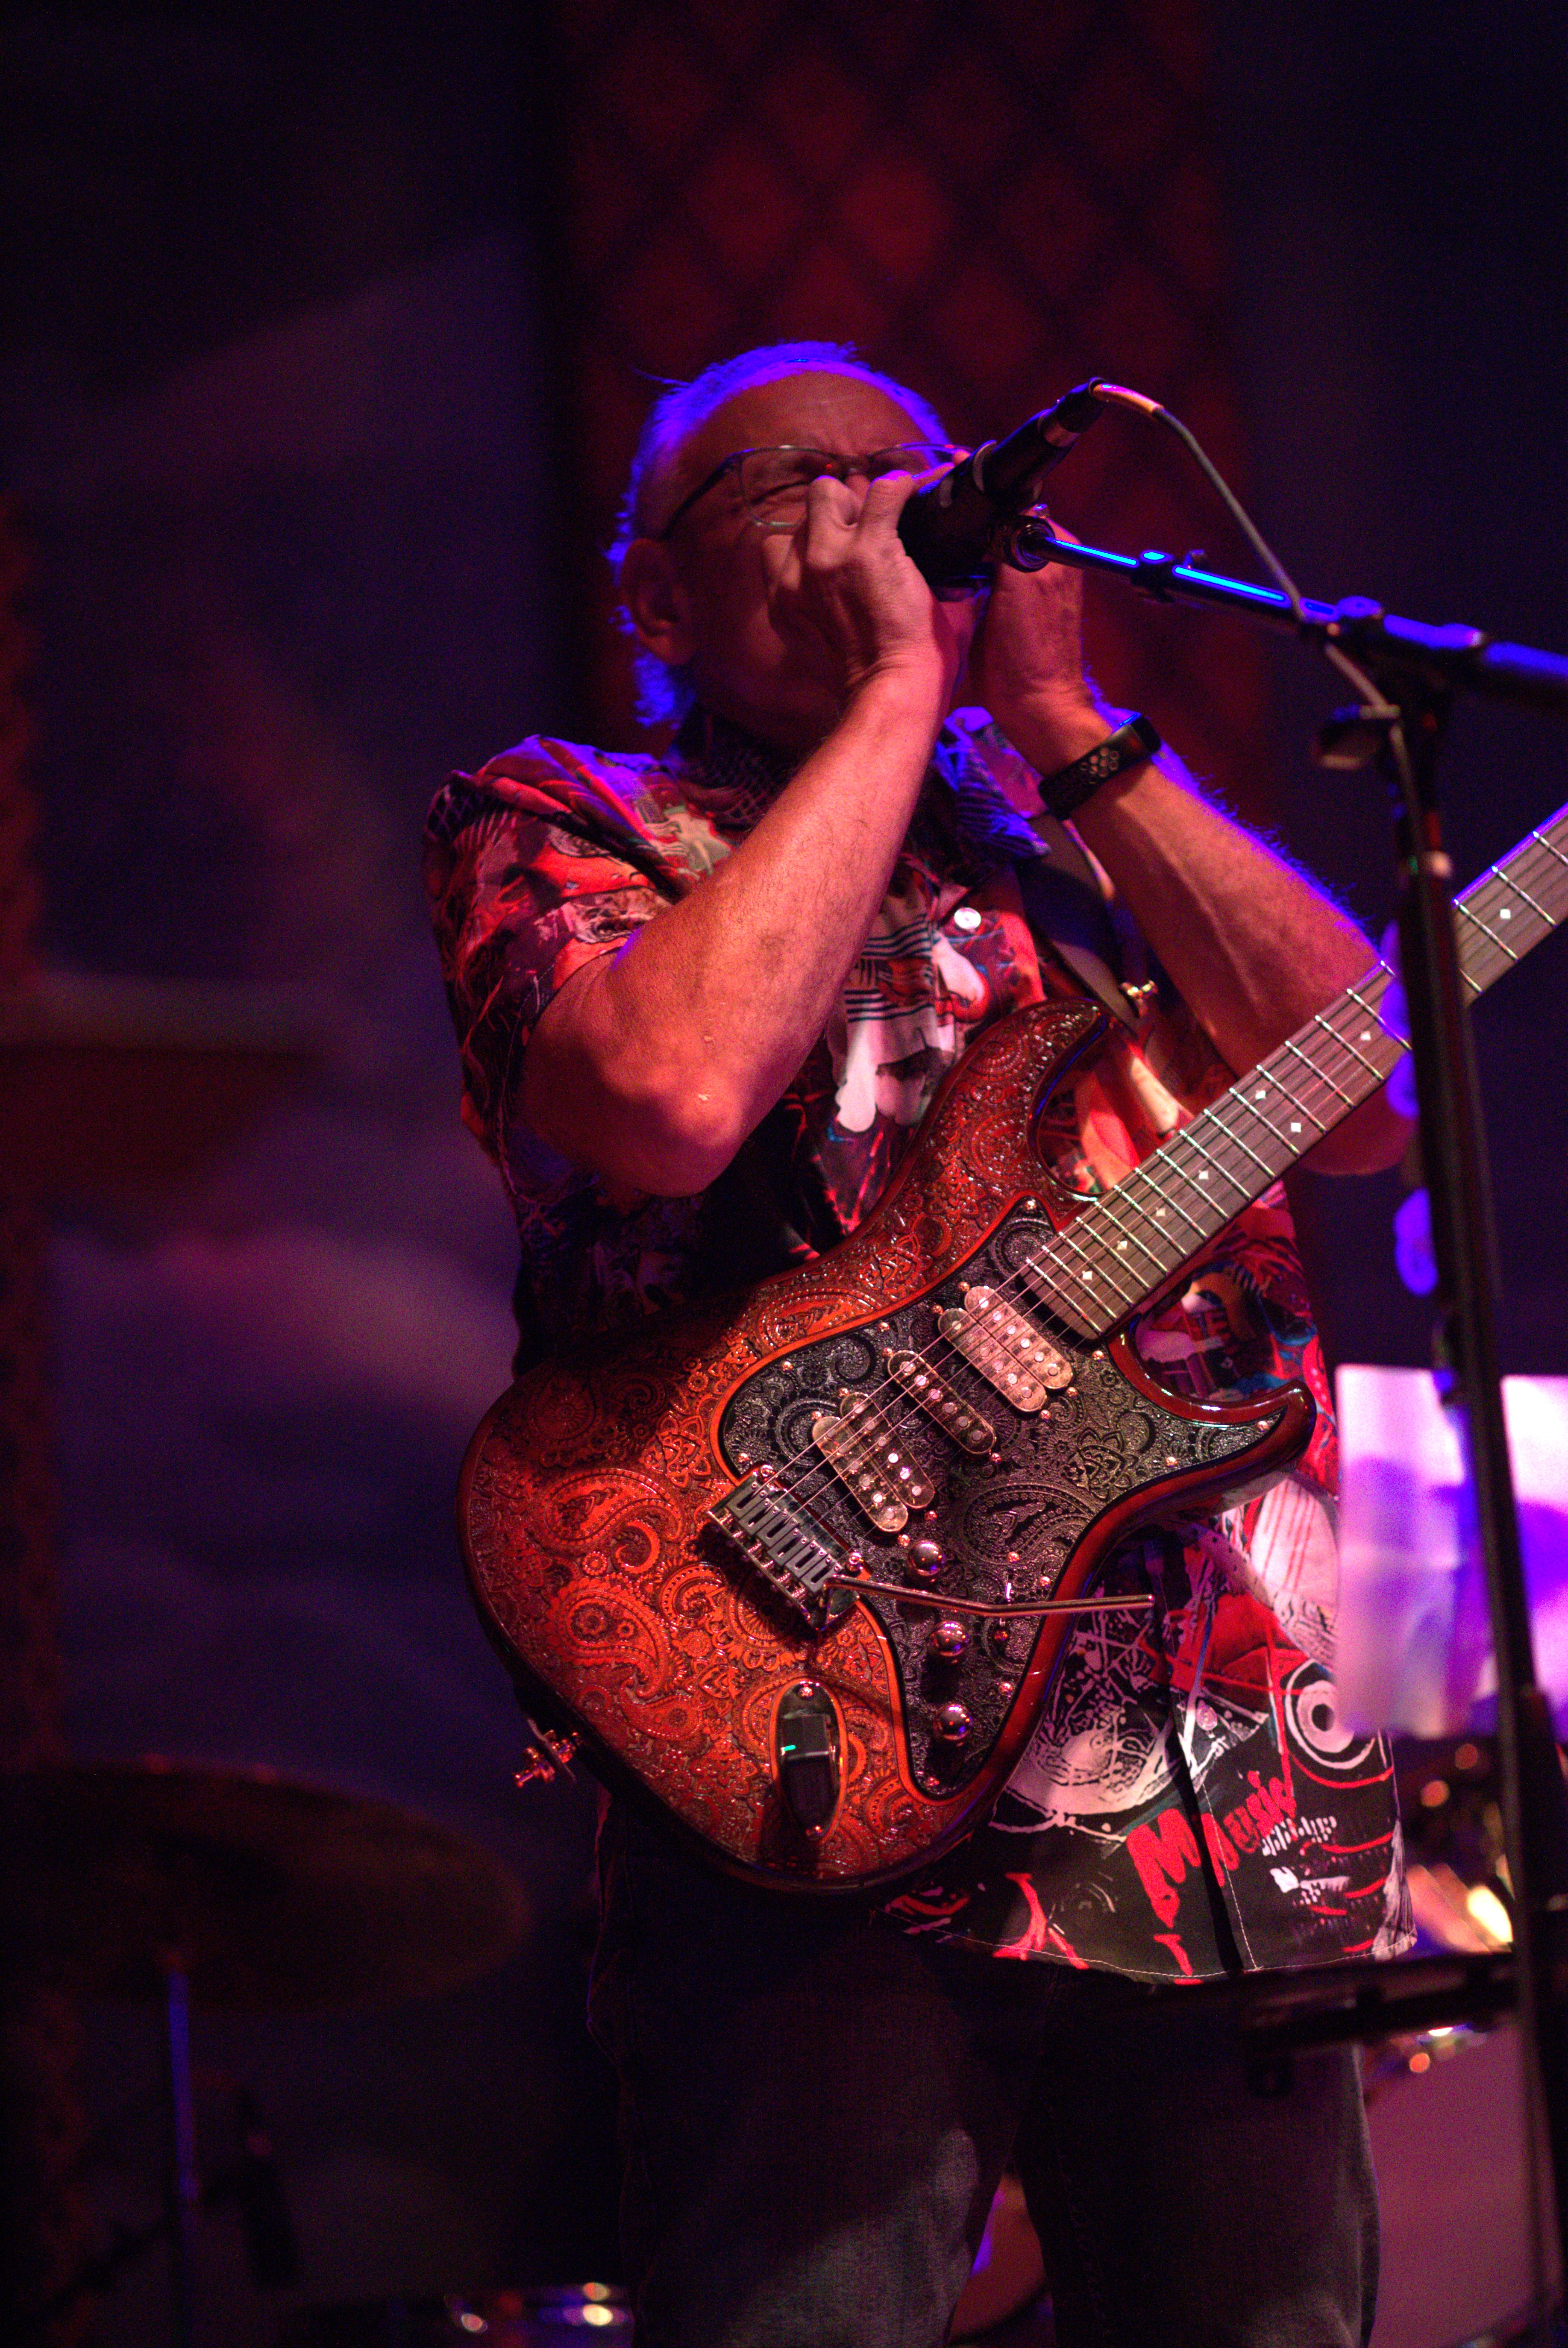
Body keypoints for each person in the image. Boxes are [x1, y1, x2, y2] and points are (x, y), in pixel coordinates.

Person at [425, 342, 1415, 2348]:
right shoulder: (567, 821)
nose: (874, 507)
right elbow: (670, 1098)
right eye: (796, 480)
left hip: (1214, 1768)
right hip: (810, 1752)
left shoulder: (1077, 831)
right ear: (656, 598)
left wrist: (1060, 721)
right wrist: (897, 693)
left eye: (910, 472)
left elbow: (1370, 1096)